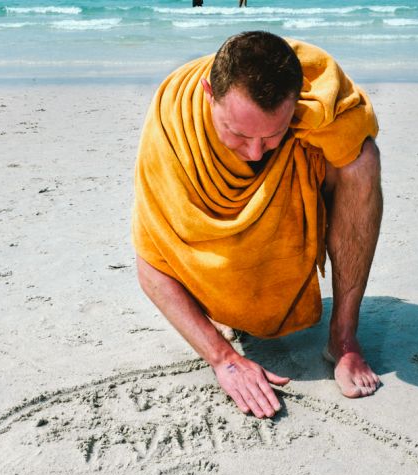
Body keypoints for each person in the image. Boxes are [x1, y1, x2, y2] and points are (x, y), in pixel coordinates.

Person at [133, 31, 382, 418]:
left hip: (291, 222)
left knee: (361, 158)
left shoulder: (320, 100)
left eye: (272, 135)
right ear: (207, 93)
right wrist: (223, 358)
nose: (253, 151)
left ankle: (343, 339)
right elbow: (150, 262)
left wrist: (275, 138)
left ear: (295, 106)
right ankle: (222, 313)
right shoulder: (173, 121)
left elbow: (351, 143)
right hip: (211, 278)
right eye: (237, 133)